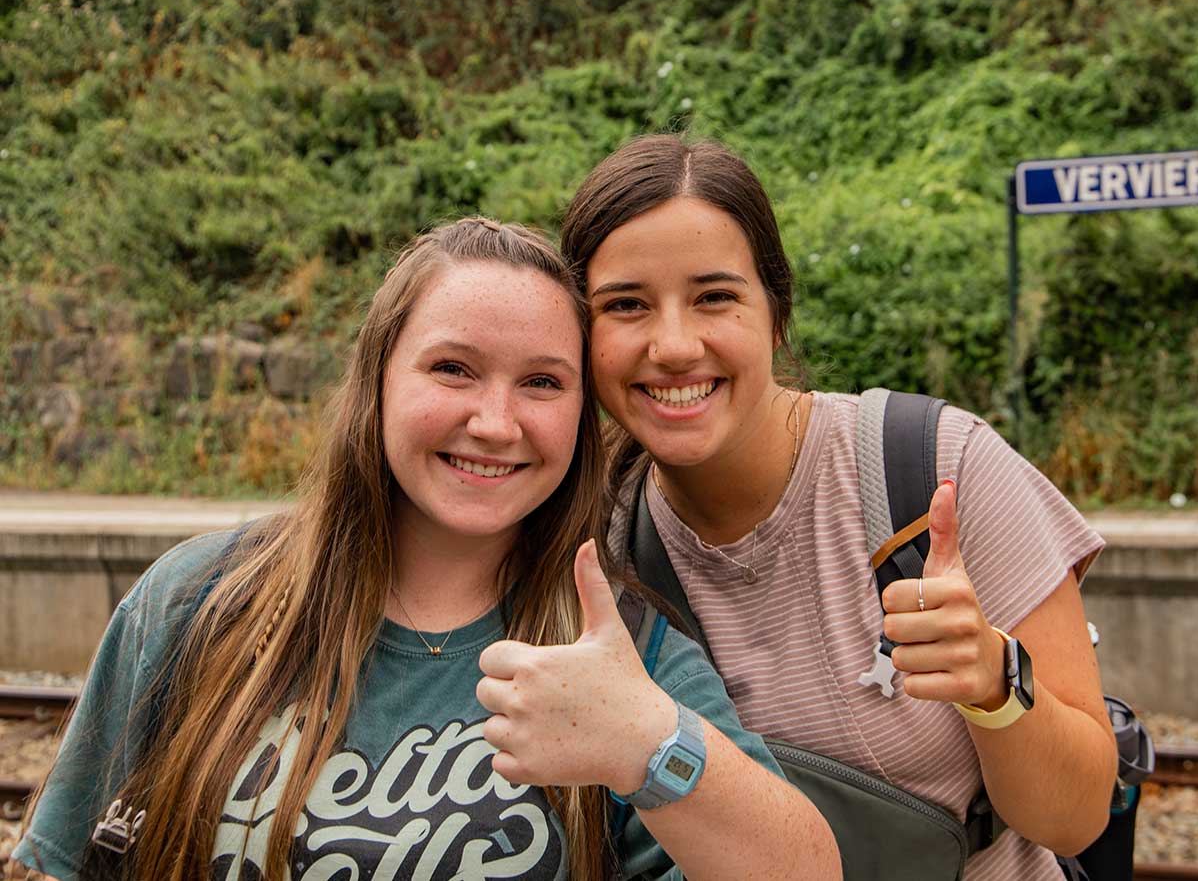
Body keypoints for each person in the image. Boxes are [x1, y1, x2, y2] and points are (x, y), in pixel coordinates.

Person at [10, 217, 839, 881]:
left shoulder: (614, 649)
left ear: (581, 418)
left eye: (543, 382)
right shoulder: (198, 599)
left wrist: (650, 742)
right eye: (453, 368)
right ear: (378, 380)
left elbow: (805, 868)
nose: (495, 421)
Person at [560, 137, 1119, 880]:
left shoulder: (936, 468)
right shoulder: (598, 544)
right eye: (626, 305)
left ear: (776, 312)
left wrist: (991, 680)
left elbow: (1078, 817)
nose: (673, 344)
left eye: (715, 296)